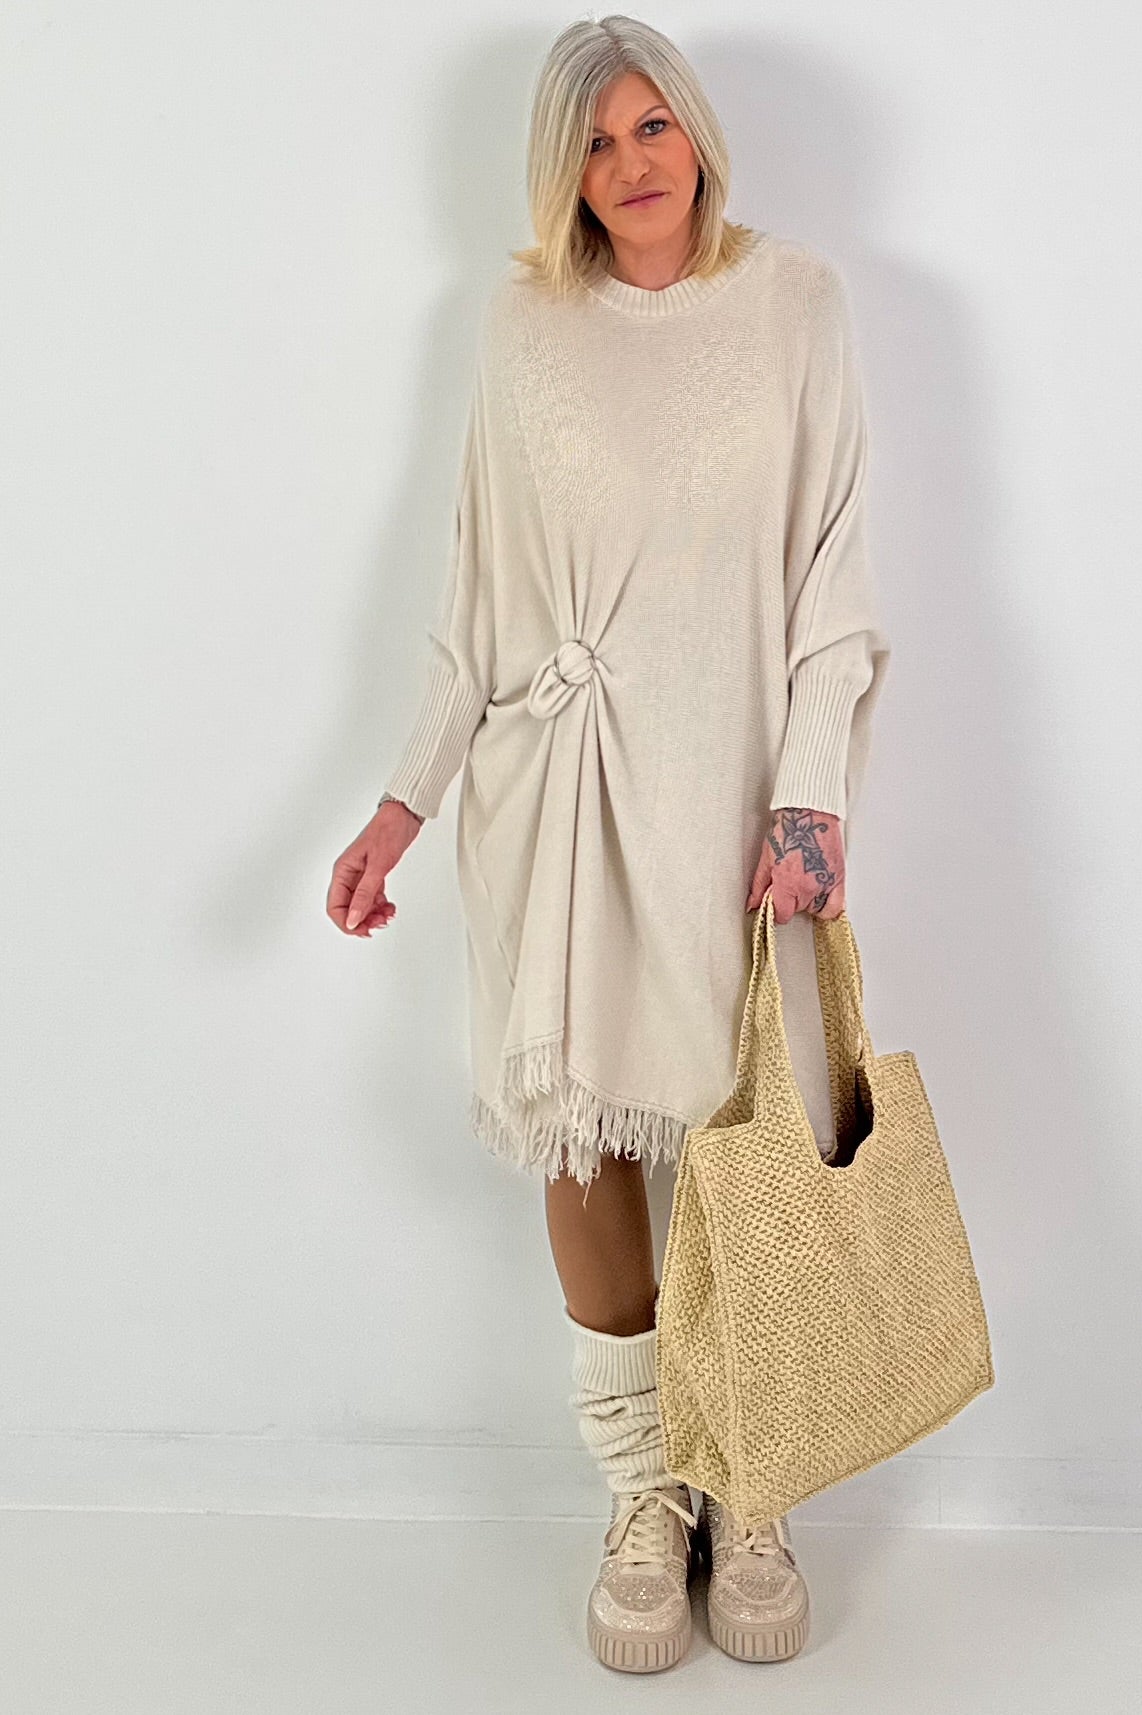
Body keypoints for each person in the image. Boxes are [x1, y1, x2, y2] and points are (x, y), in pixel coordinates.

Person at [327, 13, 890, 1675]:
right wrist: (405, 800)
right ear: (558, 173)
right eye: (592, 142)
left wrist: (809, 794)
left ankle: (747, 1482)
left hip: (726, 795)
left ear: (696, 131)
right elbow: (473, 597)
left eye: (651, 127)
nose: (630, 164)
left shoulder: (794, 303)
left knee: (734, 1143)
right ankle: (645, 1493)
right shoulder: (523, 323)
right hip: (551, 791)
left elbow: (834, 580)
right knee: (581, 1145)